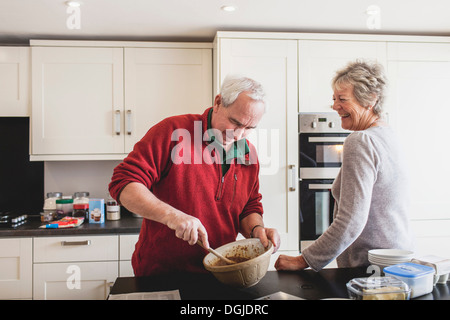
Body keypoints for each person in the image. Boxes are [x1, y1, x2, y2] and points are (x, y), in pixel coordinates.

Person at [109, 75, 280, 276]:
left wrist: (256, 229)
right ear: (218, 103)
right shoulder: (174, 132)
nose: (238, 135)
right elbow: (124, 182)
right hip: (162, 273)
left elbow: (248, 207)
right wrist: (172, 216)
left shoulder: (247, 152)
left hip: (222, 272)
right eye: (235, 122)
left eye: (249, 128)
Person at [275, 60, 415, 272]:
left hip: (371, 268)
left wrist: (302, 260)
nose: (334, 106)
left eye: (342, 99)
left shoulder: (361, 140)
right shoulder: (389, 135)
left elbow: (351, 220)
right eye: (334, 99)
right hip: (398, 262)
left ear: (370, 100)